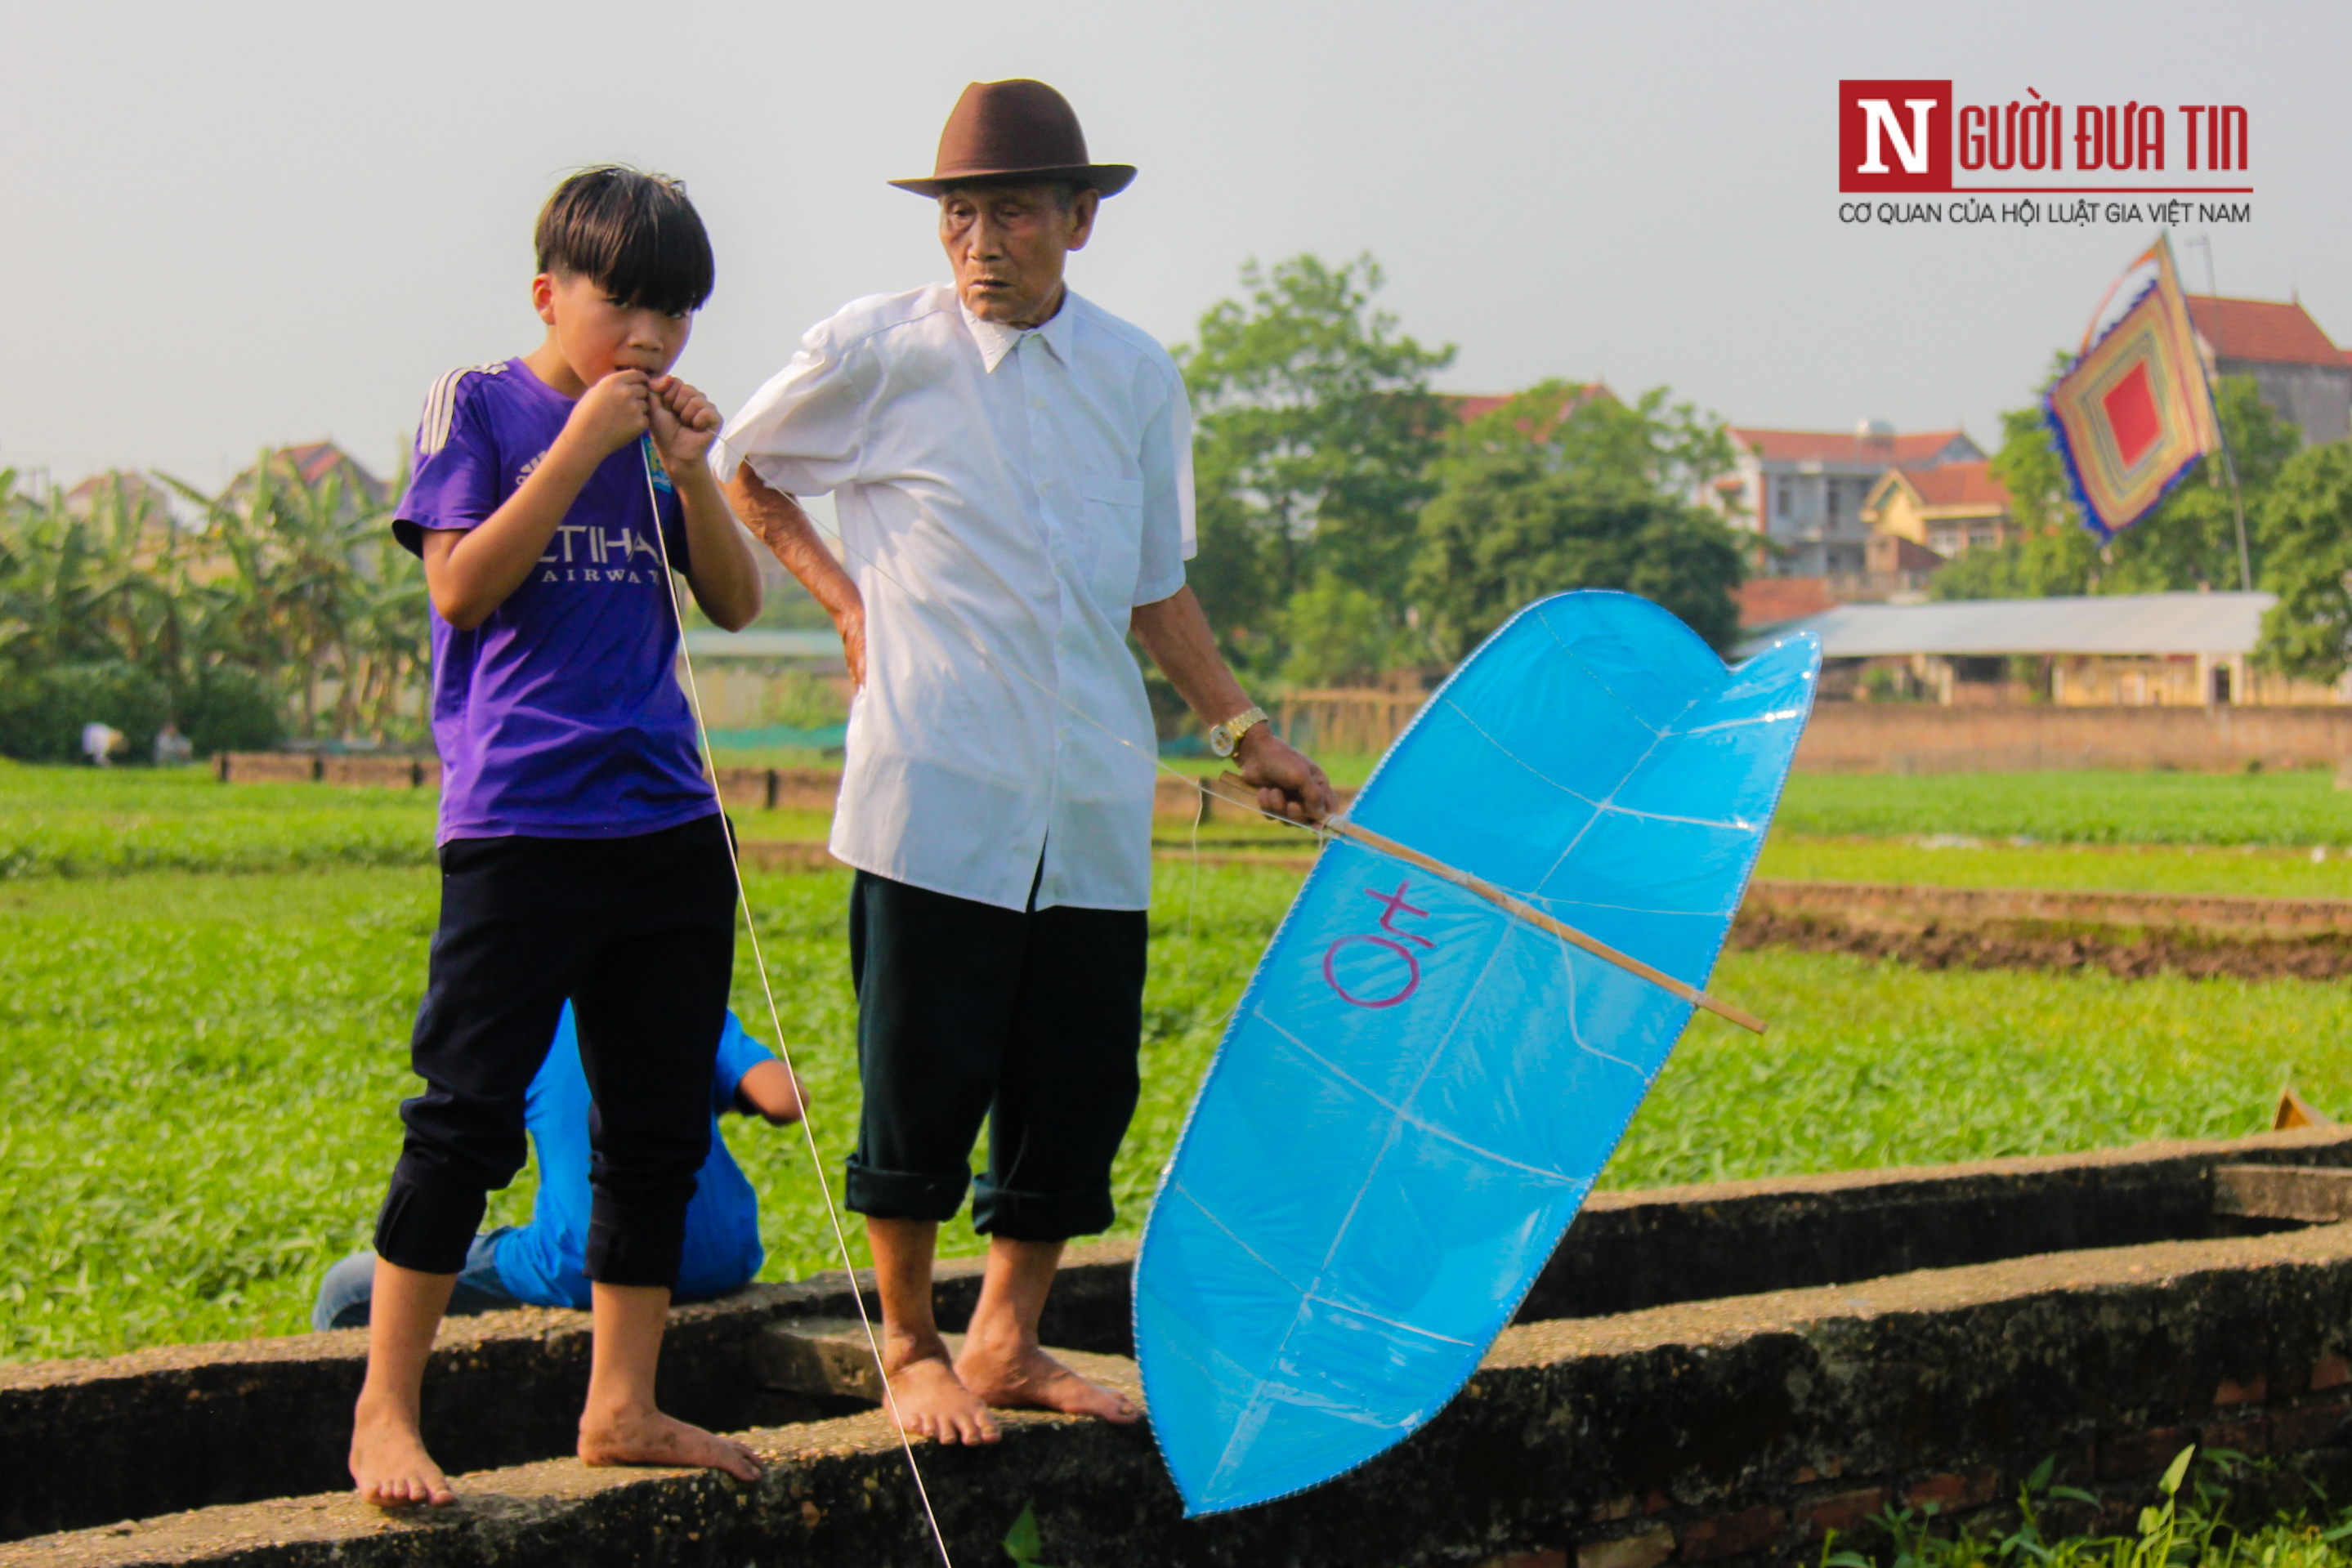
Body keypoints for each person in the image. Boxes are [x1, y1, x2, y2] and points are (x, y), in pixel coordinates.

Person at [721, 79, 1335, 1447]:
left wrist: (1245, 731)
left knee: (1074, 1078)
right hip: (938, 781)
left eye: (1006, 211)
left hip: (1092, 789)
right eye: (957, 214)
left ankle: (1004, 1333)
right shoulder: (880, 351)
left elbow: (1150, 583)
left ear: (1078, 219)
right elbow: (742, 465)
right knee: (918, 1063)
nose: (978, 241)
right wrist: (840, 596)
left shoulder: (1133, 376)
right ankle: (909, 1338)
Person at [351, 165, 766, 1508]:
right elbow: (462, 585)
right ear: (550, 292)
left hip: (666, 821)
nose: (649, 337)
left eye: (677, 313)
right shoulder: (477, 403)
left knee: (654, 1129)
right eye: (624, 303)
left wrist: (692, 474)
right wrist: (580, 446)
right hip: (522, 821)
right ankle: (383, 1410)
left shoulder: (659, 442)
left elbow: (738, 600)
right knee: (463, 1118)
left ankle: (623, 1400)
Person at [315, 1005, 807, 1329]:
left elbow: (465, 1148)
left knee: (345, 1291)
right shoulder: (679, 996)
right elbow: (785, 1100)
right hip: (725, 1257)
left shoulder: (525, 1011)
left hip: (580, 1263)